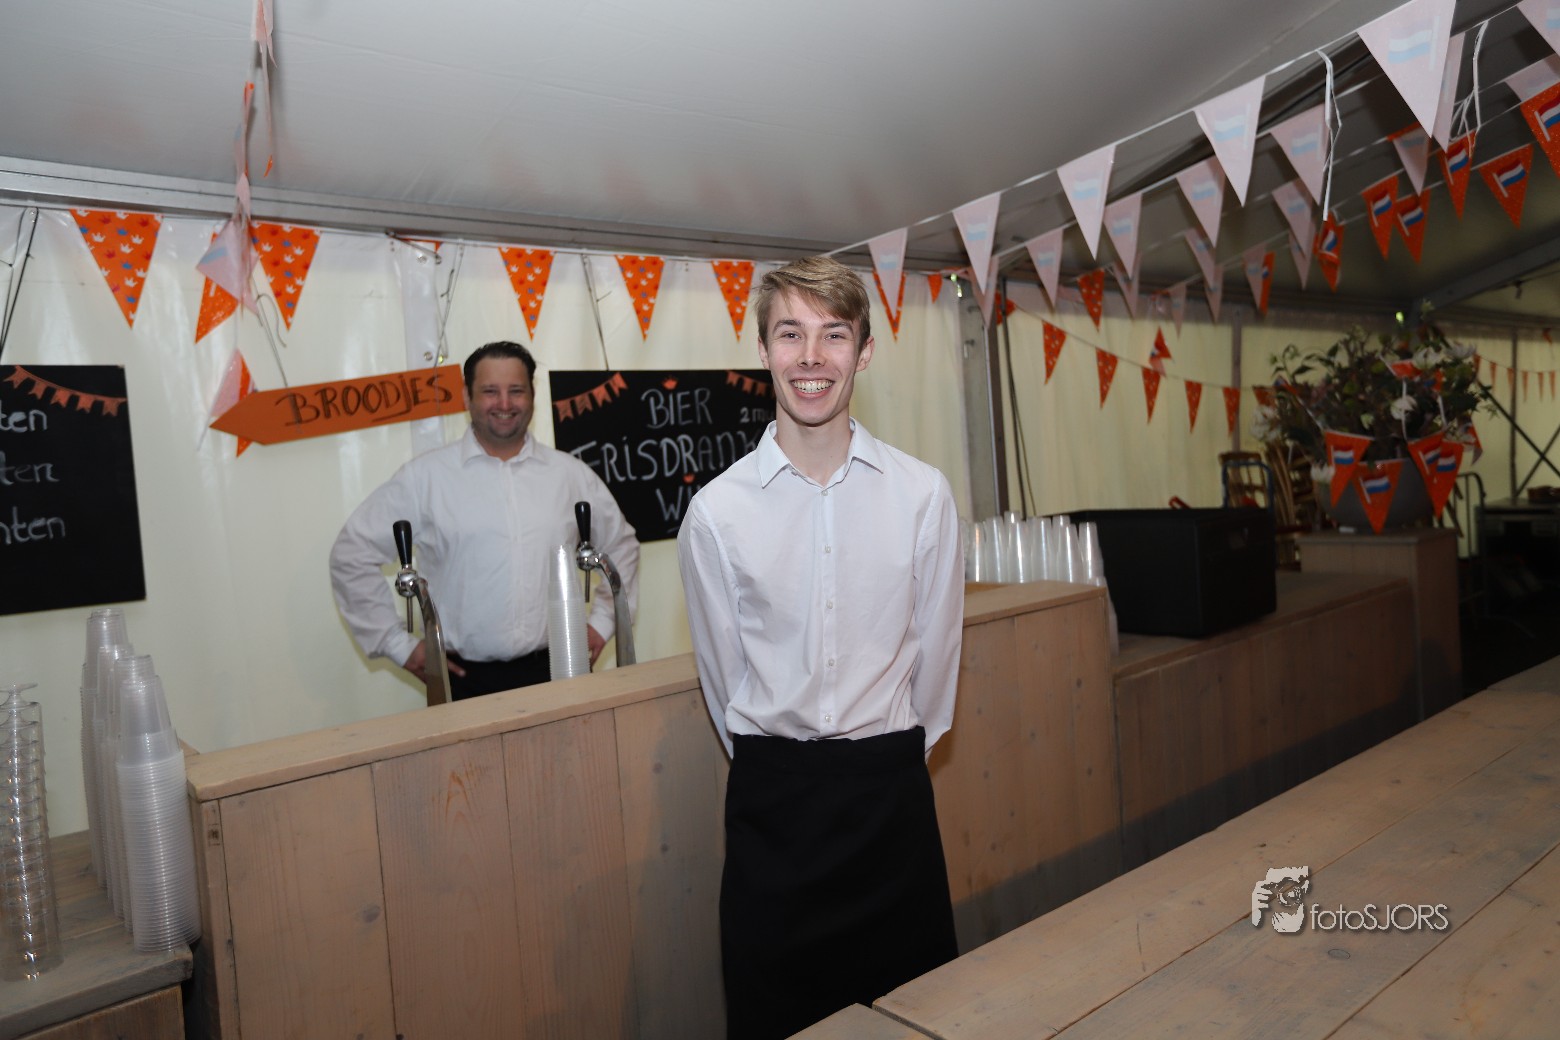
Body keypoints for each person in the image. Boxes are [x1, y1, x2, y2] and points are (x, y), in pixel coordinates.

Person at [676, 256, 963, 1039]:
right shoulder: (717, 513)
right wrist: (787, 763)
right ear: (762, 351)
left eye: (834, 335)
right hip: (774, 812)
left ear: (864, 351)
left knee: (915, 1018)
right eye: (790, 334)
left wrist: (884, 758)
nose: (811, 357)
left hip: (890, 805)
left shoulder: (922, 496)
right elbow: (724, 681)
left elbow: (937, 668)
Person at [330, 341, 639, 700]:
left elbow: (621, 545)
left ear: (532, 395)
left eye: (516, 390)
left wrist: (602, 622)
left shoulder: (569, 475)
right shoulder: (425, 478)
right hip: (464, 682)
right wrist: (398, 645)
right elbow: (351, 554)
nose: (504, 404)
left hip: (561, 670)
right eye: (490, 391)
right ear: (467, 396)